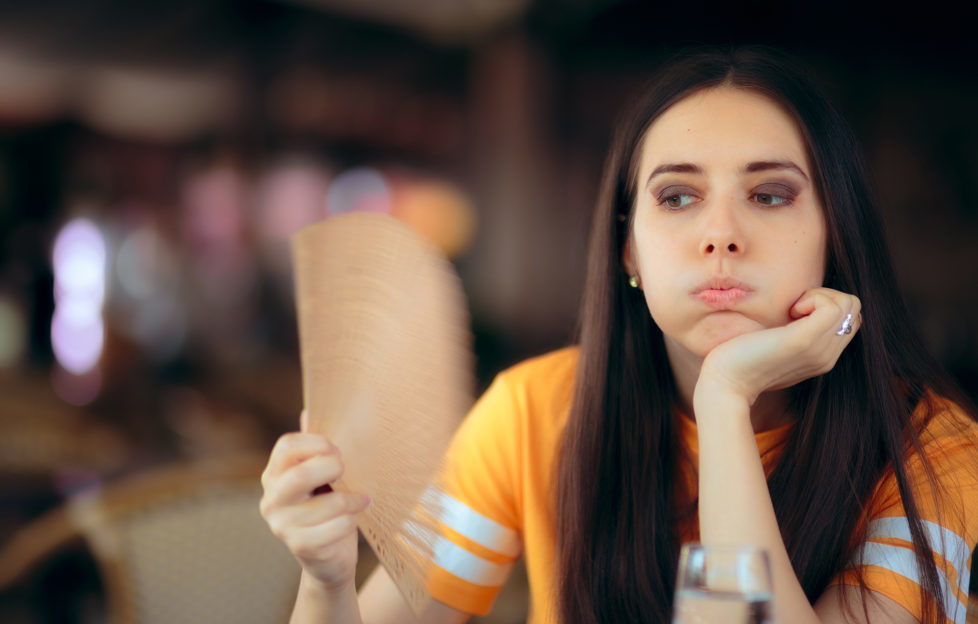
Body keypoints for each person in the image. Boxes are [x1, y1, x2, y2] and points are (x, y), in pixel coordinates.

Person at [259, 47, 978, 624]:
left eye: (769, 194)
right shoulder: (534, 409)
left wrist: (725, 398)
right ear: (629, 251)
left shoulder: (935, 451)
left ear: (835, 234)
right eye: (676, 197)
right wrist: (326, 581)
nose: (721, 234)